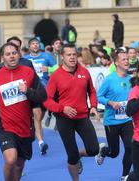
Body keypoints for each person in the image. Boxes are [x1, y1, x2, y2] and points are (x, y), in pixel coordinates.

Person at [0, 42, 47, 181]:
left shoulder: (29, 72)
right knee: (10, 160)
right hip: (4, 126)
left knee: (19, 165)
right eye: (8, 54)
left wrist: (28, 91)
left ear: (19, 54)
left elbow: (42, 96)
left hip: (25, 126)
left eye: (14, 53)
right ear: (2, 57)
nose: (12, 56)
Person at [43, 44, 100, 181]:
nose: (72, 57)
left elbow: (91, 91)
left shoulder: (84, 72)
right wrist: (62, 108)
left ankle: (80, 155)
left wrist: (93, 106)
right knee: (72, 155)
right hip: (64, 119)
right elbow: (47, 100)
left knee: (94, 150)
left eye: (74, 54)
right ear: (62, 57)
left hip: (82, 117)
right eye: (69, 55)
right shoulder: (56, 76)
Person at [96, 47, 133, 181]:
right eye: (123, 59)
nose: (126, 61)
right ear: (116, 63)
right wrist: (110, 103)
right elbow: (98, 96)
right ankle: (103, 151)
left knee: (130, 147)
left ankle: (125, 176)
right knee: (114, 152)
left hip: (127, 120)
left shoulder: (131, 79)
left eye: (128, 59)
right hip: (112, 121)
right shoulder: (109, 79)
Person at [24, 37, 56, 155]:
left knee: (39, 118)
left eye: (37, 44)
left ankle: (37, 128)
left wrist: (49, 69)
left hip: (45, 91)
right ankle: (41, 142)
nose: (35, 45)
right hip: (33, 91)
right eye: (33, 44)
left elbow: (57, 68)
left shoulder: (46, 56)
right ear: (29, 46)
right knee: (37, 117)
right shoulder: (25, 59)